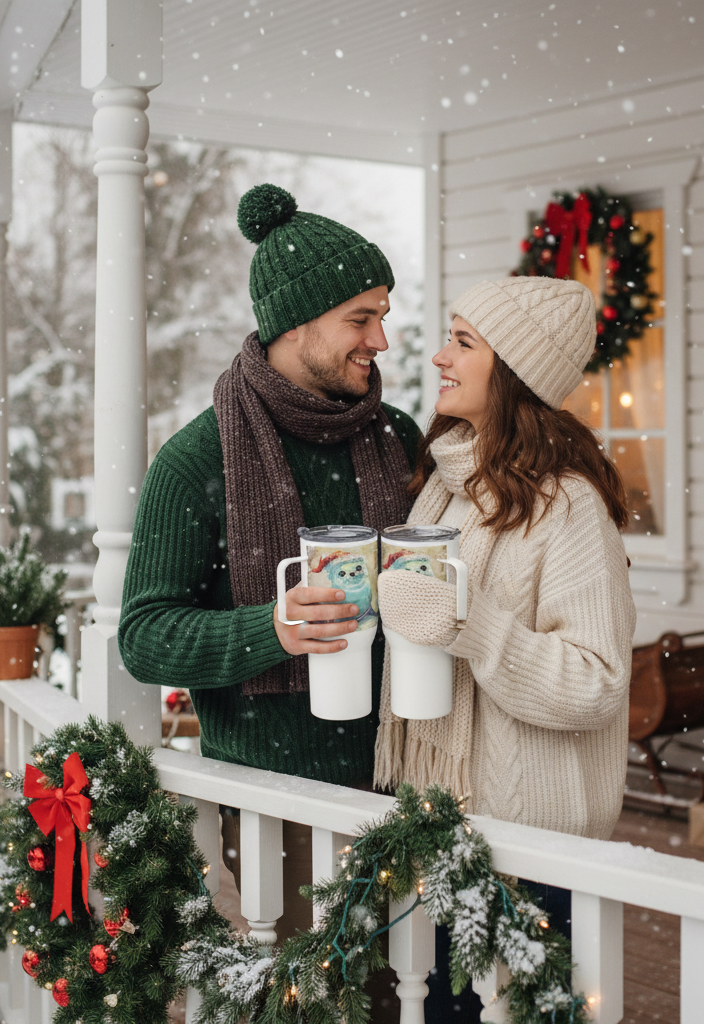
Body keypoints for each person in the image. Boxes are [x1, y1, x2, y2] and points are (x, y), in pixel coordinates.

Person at [117, 184, 421, 977]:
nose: (381, 340)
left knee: (413, 994)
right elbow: (146, 637)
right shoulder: (196, 460)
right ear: (296, 323)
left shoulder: (398, 438)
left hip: (413, 778)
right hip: (278, 806)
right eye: (361, 318)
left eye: (384, 315)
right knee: (312, 998)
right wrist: (272, 629)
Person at [373, 276, 636, 1021]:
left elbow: (598, 683)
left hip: (530, 855)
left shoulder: (569, 506)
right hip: (442, 834)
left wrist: (467, 621)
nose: (438, 357)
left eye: (463, 341)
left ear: (513, 369)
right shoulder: (447, 485)